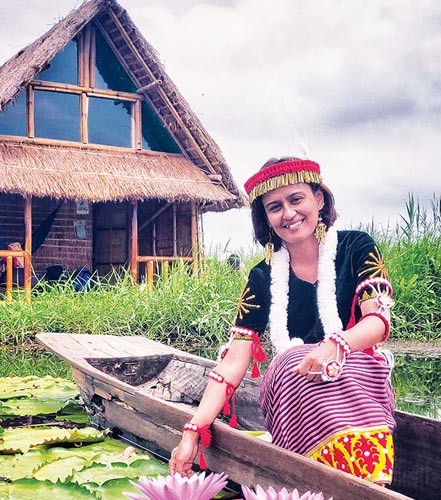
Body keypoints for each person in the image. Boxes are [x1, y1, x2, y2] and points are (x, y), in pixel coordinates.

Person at [169, 157, 396, 485]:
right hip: (295, 387)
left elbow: (377, 320)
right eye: (274, 207)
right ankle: (312, 478)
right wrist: (193, 429)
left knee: (320, 361)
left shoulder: (356, 247)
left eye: (296, 199)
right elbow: (233, 364)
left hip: (358, 380)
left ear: (318, 199)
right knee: (291, 358)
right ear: (266, 217)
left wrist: (338, 344)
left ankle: (366, 485)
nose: (288, 214)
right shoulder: (262, 277)